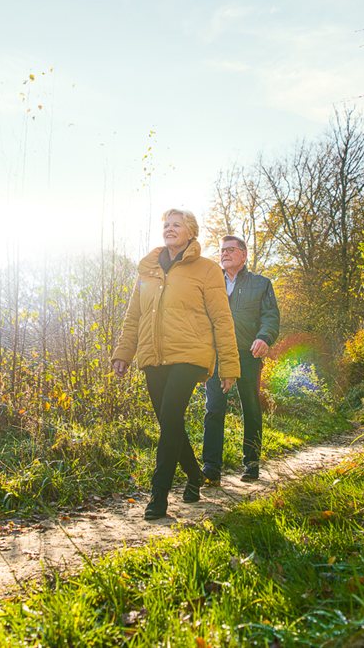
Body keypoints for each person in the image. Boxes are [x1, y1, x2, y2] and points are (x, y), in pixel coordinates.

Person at [111, 210, 240, 520]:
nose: (169, 229)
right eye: (166, 225)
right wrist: (123, 352)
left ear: (190, 232)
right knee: (170, 422)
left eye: (176, 225)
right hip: (153, 355)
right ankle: (194, 475)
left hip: (190, 354)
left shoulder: (207, 270)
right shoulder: (148, 270)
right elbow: (133, 316)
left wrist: (229, 365)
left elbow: (222, 318)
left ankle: (158, 496)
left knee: (170, 417)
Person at [201, 235, 280, 483]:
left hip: (248, 354)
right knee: (214, 409)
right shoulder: (211, 284)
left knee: (251, 408)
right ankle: (211, 468)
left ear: (244, 255)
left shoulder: (261, 284)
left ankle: (252, 464)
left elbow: (270, 316)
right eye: (222, 250)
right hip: (217, 355)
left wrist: (264, 338)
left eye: (231, 250)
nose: (224, 254)